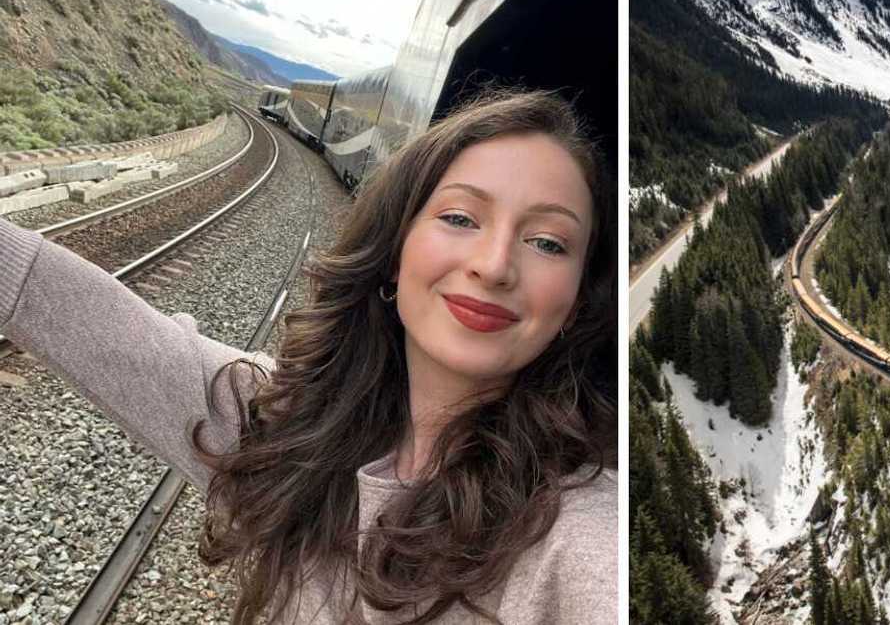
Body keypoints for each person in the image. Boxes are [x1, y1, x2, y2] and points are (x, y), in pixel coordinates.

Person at [0, 89, 618, 624]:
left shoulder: (579, 536)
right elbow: (59, 300)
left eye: (547, 242)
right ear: (395, 248)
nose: (493, 264)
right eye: (459, 217)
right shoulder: (285, 426)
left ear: (578, 299)